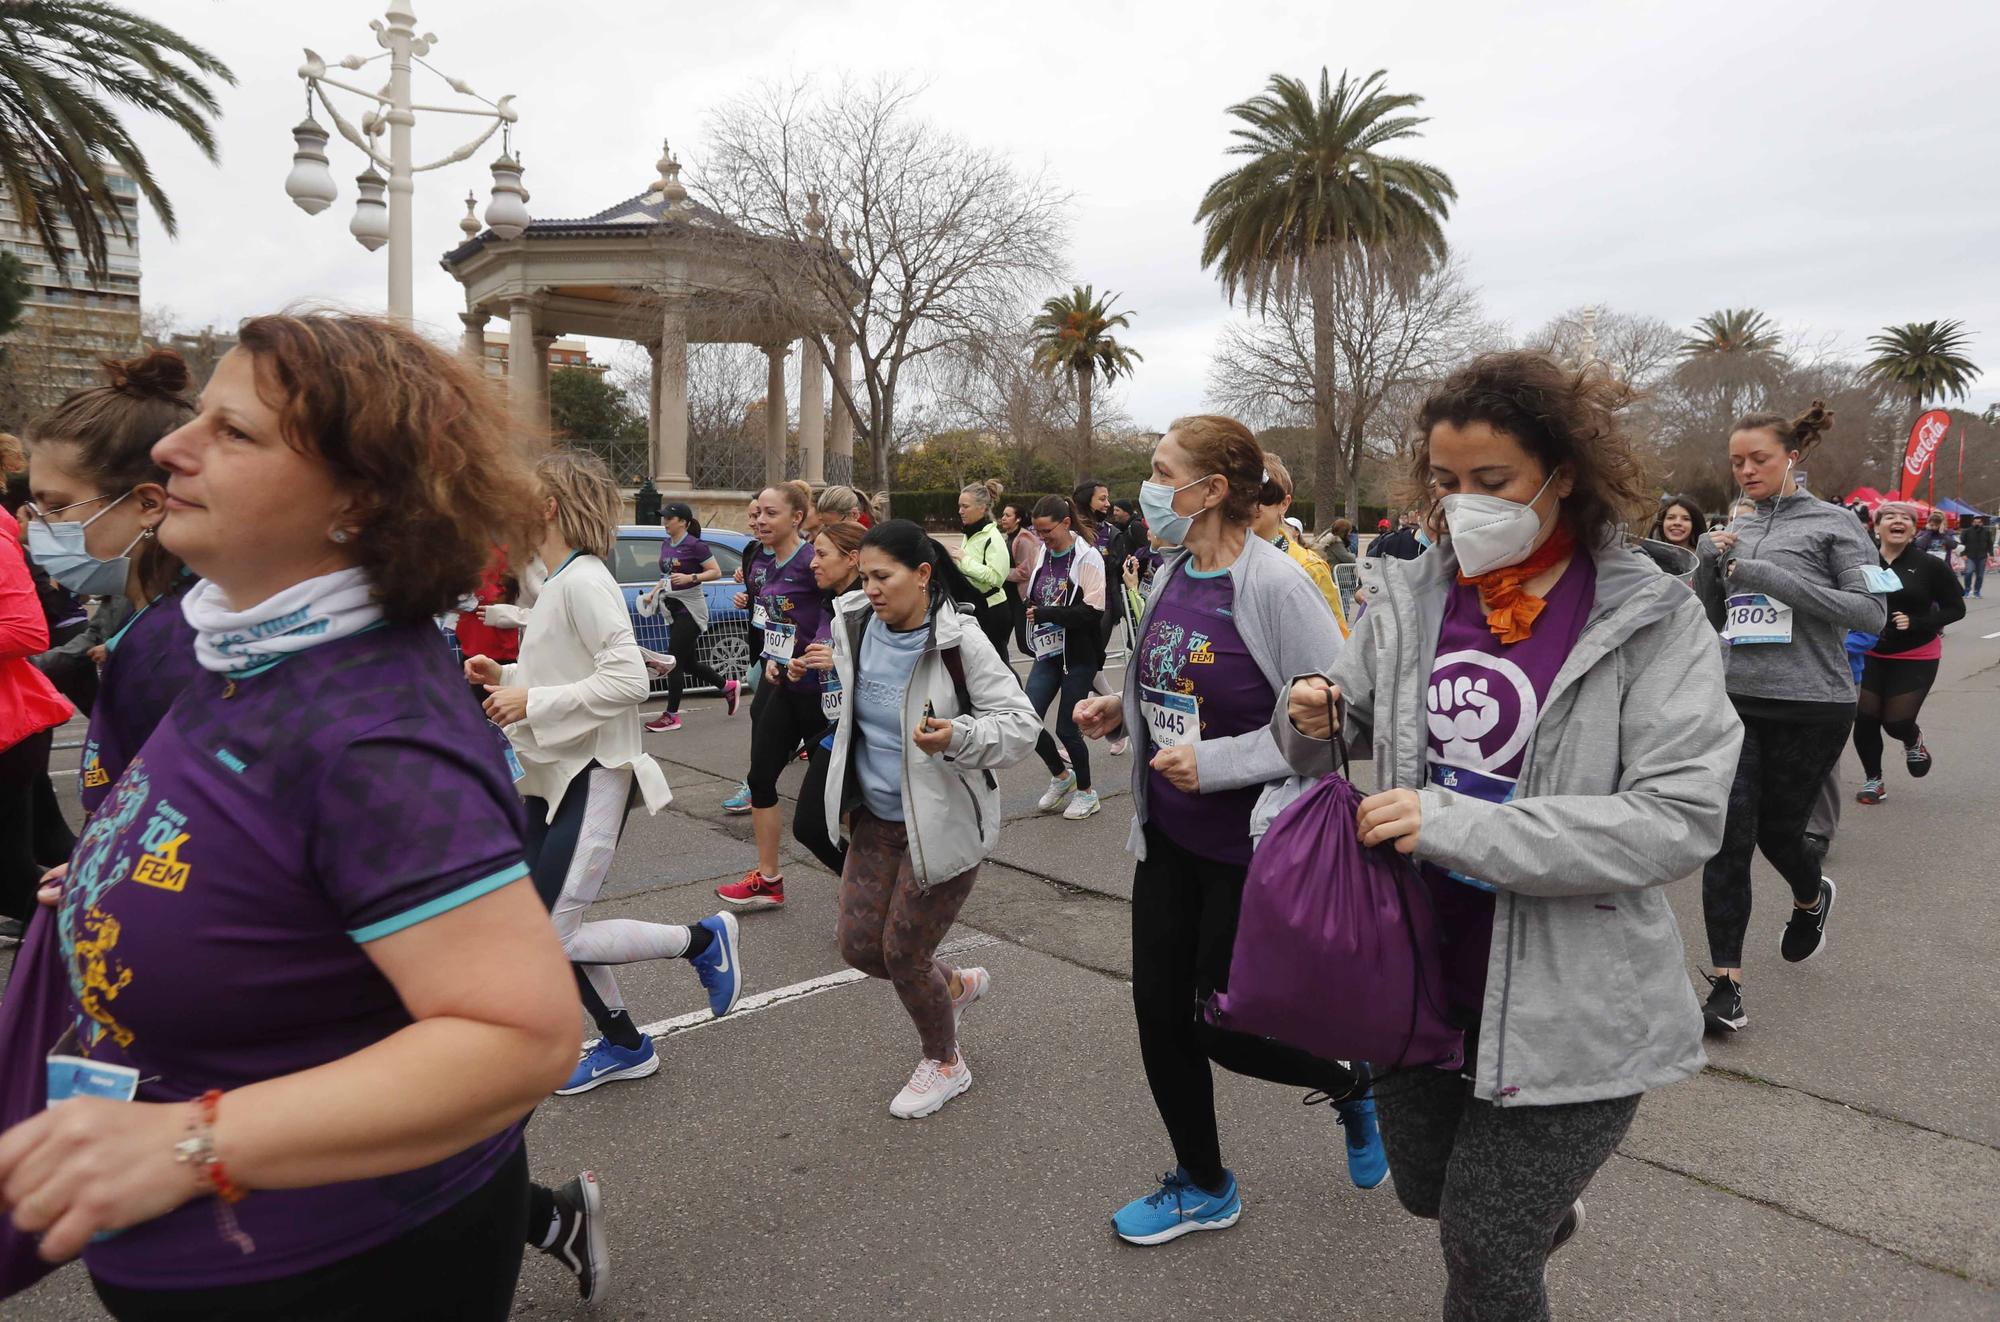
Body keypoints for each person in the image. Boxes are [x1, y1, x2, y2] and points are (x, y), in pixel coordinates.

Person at [0, 312, 585, 1318]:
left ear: (357, 498)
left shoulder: (374, 730)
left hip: (340, 1262)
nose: (173, 446)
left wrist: (194, 1144)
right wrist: (110, 869)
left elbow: (518, 1036)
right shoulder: (244, 654)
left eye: (234, 433)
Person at [1275, 352, 1739, 1319]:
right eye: (1444, 483)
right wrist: (1313, 712)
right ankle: (1529, 1218)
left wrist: (1458, 826)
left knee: (1483, 1255)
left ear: (1562, 474)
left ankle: (1513, 1227)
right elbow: (1345, 720)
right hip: (1414, 965)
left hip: (1569, 993)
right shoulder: (1407, 598)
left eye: (1491, 483)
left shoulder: (1651, 618)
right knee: (1428, 1195)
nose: (1460, 506)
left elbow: (1678, 818)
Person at [1066, 415, 1376, 1245]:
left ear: (1209, 491)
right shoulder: (1171, 573)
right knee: (1157, 1016)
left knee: (1221, 1025)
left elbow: (1344, 724)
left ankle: (1351, 1080)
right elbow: (1166, 684)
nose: (1149, 485)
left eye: (1162, 471)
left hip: (1252, 852)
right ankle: (1204, 1183)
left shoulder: (1278, 586)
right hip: (1167, 840)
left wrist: (1221, 764)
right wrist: (1117, 711)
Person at [465, 452, 741, 1099]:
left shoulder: (584, 580)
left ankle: (700, 941)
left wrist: (529, 699)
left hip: (593, 773)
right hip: (550, 775)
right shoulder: (560, 581)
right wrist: (504, 678)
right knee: (543, 926)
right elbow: (569, 676)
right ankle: (624, 1044)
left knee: (547, 931)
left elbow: (623, 680)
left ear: (550, 506)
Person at [823, 519, 1040, 1116]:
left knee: (903, 955)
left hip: (942, 822)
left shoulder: (959, 644)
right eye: (864, 575)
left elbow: (1022, 725)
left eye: (882, 576)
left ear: (922, 576)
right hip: (874, 818)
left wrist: (958, 737)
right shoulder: (854, 624)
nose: (870, 588)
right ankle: (954, 984)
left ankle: (945, 1062)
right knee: (860, 947)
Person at [1694, 402, 1886, 1034]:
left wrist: (1773, 577)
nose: (1745, 471)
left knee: (1780, 833)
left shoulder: (1835, 525)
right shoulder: (1735, 526)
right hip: (1736, 698)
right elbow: (1712, 615)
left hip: (1814, 703)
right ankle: (1726, 985)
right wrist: (1707, 562)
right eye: (1736, 462)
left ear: (1791, 458)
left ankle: (1811, 896)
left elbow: (1869, 615)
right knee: (1728, 839)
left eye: (1759, 459)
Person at [717, 481, 829, 909]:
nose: (760, 520)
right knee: (761, 777)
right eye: (758, 513)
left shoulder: (812, 559)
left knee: (837, 795)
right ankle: (768, 879)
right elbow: (769, 618)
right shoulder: (760, 561)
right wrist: (770, 655)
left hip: (818, 689)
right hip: (779, 681)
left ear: (796, 518)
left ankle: (869, 873)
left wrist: (817, 648)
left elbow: (832, 608)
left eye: (770, 513)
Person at [1853, 501, 1964, 804]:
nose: (1897, 521)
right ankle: (1873, 780)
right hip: (1867, 651)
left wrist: (1917, 622)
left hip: (1916, 652)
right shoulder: (1862, 561)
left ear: (1915, 530)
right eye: (1889, 516)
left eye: (1906, 518)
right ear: (1876, 527)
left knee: (1896, 722)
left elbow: (1957, 609)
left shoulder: (1930, 566)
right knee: (1864, 718)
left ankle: (1912, 739)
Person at [787, 518, 865, 875]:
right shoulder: (832, 603)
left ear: (852, 559)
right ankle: (867, 889)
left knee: (816, 825)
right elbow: (826, 651)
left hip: (866, 734)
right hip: (836, 727)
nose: (812, 562)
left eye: (821, 554)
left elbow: (888, 673)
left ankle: (871, 892)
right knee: (813, 826)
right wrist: (801, 665)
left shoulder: (870, 606)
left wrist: (836, 662)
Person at [1021, 494, 1107, 820]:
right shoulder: (1045, 552)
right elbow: (1036, 596)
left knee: (1068, 728)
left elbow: (1091, 613)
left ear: (1066, 523)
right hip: (1048, 652)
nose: (1042, 538)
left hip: (1079, 654)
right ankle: (1061, 776)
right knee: (1026, 721)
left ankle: (1087, 792)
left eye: (1047, 531)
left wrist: (1048, 613)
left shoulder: (1088, 558)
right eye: (1038, 531)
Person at [639, 501, 741, 733]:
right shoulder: (666, 544)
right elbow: (667, 575)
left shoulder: (696, 546)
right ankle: (727, 686)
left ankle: (671, 715)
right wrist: (653, 593)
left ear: (683, 522)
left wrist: (691, 578)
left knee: (673, 661)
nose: (665, 522)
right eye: (663, 518)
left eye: (669, 518)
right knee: (689, 664)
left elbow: (715, 571)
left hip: (691, 610)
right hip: (672, 608)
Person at [1252, 452, 1347, 637]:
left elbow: (1335, 639)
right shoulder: (1219, 559)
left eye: (1263, 495)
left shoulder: (1309, 568)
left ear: (1284, 504)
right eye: (1242, 493)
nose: (1252, 504)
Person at [955, 479, 1015, 659]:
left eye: (965, 506)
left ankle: (1014, 689)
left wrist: (965, 561)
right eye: (959, 506)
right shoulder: (970, 533)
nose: (960, 511)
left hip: (993, 611)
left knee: (999, 667)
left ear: (981, 508)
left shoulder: (992, 537)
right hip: (975, 607)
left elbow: (996, 577)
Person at [999, 498, 1037, 657]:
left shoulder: (1024, 539)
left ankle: (1050, 665)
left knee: (1025, 644)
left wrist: (999, 573)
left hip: (1021, 600)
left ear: (1018, 519)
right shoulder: (1008, 538)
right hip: (1007, 598)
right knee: (1000, 641)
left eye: (1008, 515)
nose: (1003, 518)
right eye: (1003, 515)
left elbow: (1025, 571)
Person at [1959, 514, 1992, 598]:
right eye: (1975, 522)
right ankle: (1967, 590)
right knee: (1968, 573)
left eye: (1979, 522)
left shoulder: (1986, 532)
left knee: (1980, 575)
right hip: (1970, 556)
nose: (1977, 523)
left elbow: (1990, 544)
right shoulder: (1967, 531)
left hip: (1982, 556)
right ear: (1972, 523)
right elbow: (1961, 544)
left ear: (1982, 523)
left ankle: (1977, 591)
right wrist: (1962, 554)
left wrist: (1991, 554)